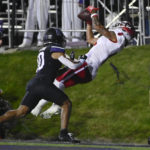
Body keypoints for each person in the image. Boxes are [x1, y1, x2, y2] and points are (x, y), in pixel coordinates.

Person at [31, 6, 136, 119]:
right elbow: (90, 39)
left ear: (124, 29)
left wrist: (93, 13)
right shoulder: (111, 40)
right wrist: (88, 23)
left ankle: (56, 106)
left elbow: (99, 26)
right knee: (55, 81)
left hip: (88, 66)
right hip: (86, 65)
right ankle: (36, 108)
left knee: (58, 82)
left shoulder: (118, 37)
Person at [0, 27, 85, 142]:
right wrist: (81, 61)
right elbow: (74, 66)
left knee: (20, 112)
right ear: (57, 39)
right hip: (43, 84)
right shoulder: (56, 49)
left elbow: (53, 72)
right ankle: (63, 133)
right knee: (66, 104)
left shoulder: (44, 50)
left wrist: (67, 67)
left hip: (35, 83)